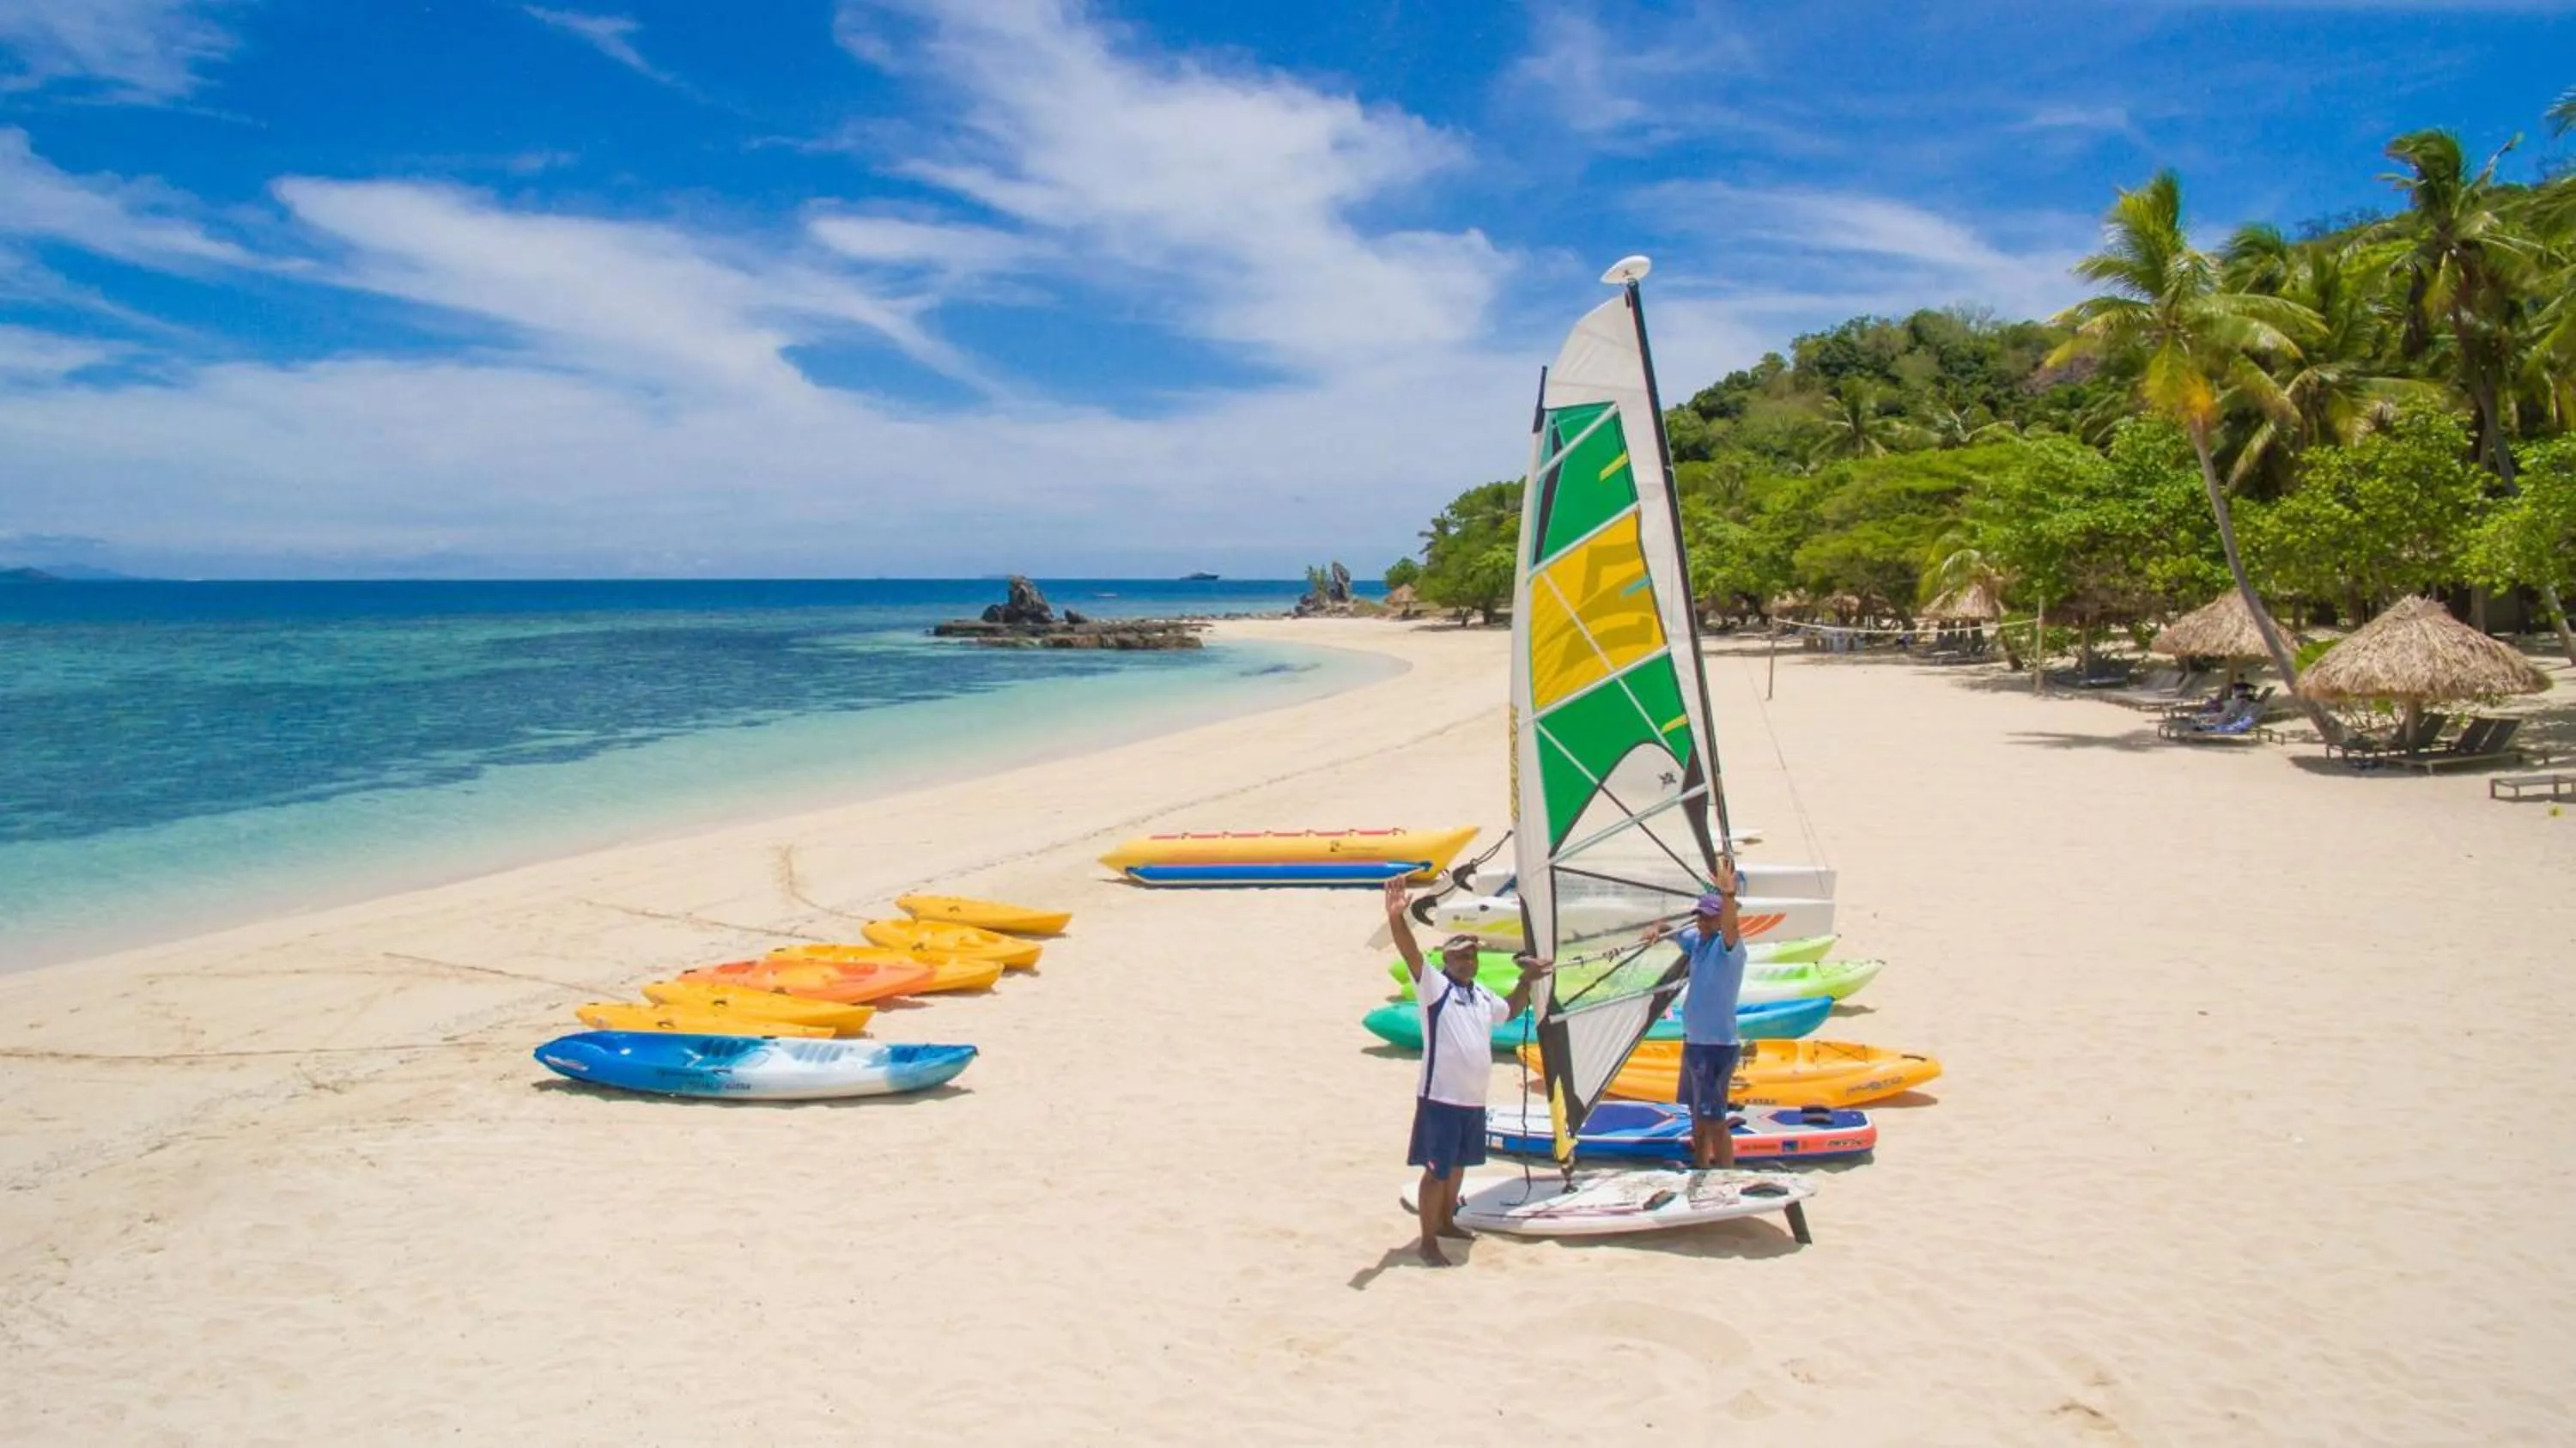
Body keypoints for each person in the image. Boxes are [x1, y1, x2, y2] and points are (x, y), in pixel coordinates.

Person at [1382, 877, 1549, 1267]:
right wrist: (1397, 919)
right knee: (1436, 1171)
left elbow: (1510, 1010)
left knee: (1458, 1167)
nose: (1468, 961)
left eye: (1472, 956)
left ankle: (1446, 1223)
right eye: (1460, 956)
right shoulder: (1435, 987)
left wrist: (1527, 980)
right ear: (1447, 962)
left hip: (1472, 1098)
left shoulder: (1481, 994)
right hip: (1441, 1096)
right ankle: (1426, 1240)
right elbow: (1410, 954)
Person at [1641, 856, 1747, 1170]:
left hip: (1717, 1048)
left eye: (1709, 919)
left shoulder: (1730, 949)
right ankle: (1701, 1170)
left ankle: (1726, 1175)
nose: (1703, 923)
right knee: (1697, 1117)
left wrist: (1728, 896)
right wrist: (1657, 929)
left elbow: (1731, 927)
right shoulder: (1697, 942)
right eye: (1700, 917)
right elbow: (1674, 931)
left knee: (1715, 1121)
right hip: (1694, 1044)